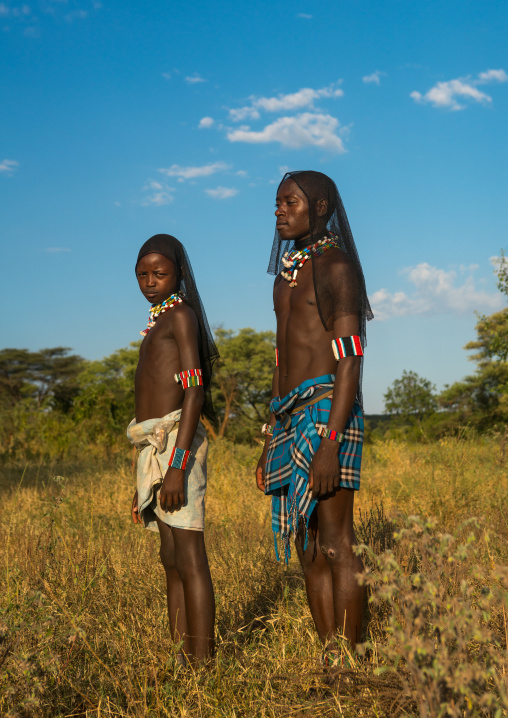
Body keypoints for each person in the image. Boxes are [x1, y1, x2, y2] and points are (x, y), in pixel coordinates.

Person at [255, 171, 373, 666]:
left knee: (335, 542)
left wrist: (330, 438)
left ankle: (353, 658)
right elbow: (283, 359)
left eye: (289, 202)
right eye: (277, 203)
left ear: (320, 207)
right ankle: (331, 657)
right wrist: (268, 436)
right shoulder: (287, 275)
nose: (279, 210)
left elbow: (351, 356)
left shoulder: (336, 266)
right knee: (306, 545)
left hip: (328, 410)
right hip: (287, 417)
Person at [128, 234, 218, 665]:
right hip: (154, 448)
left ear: (179, 274)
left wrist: (178, 467)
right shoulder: (156, 322)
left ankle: (203, 665)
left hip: (177, 445)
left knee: (189, 555)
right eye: (142, 274)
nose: (150, 281)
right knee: (169, 556)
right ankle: (180, 659)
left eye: (159, 273)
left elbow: (194, 393)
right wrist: (143, 477)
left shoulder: (181, 316)